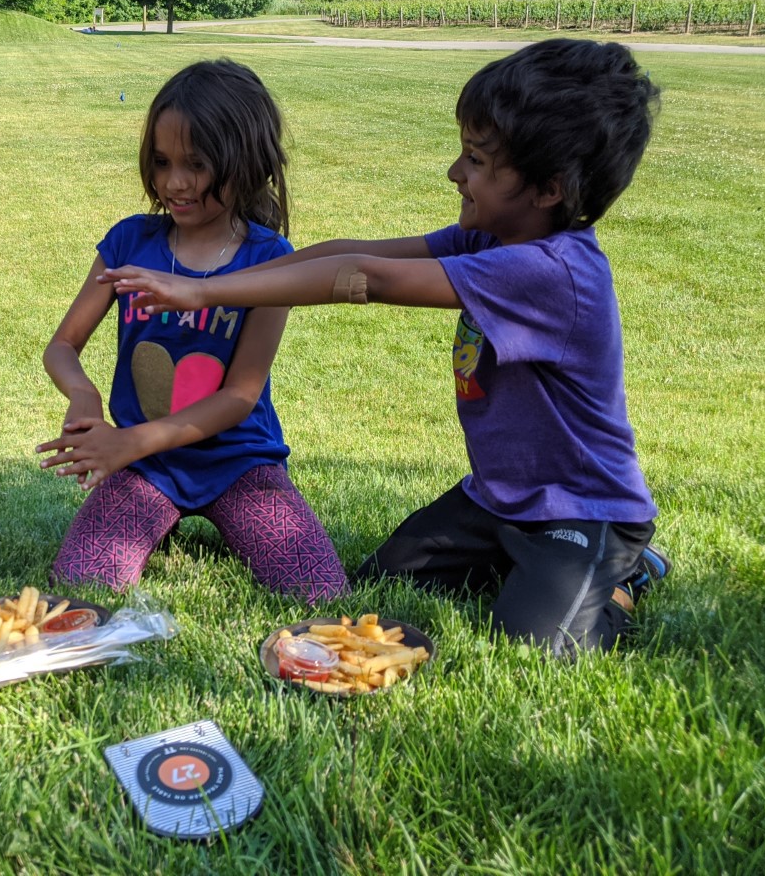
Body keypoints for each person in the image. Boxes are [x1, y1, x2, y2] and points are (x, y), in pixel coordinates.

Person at [103, 39, 669, 655]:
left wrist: (203, 294)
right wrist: (228, 279)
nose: (456, 172)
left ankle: (625, 576)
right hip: (498, 499)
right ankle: (527, 567)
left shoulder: (551, 271)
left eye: (477, 161)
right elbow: (349, 254)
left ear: (549, 188)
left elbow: (367, 280)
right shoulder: (487, 239)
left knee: (537, 646)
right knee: (382, 583)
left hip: (584, 510)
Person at [36, 59, 348, 603]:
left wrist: (126, 442)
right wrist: (84, 397)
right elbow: (63, 345)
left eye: (196, 165)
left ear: (244, 162)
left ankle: (221, 516)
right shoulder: (129, 242)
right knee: (81, 585)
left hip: (238, 463)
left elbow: (238, 397)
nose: (174, 183)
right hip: (145, 465)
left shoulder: (270, 259)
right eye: (161, 162)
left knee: (318, 590)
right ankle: (158, 515)